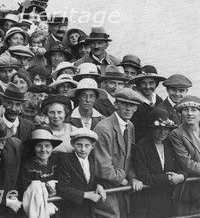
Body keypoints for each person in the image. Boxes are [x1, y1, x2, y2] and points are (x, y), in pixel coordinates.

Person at [92, 88, 145, 218]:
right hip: (105, 188)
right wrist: (125, 181)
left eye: (132, 105)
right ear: (116, 105)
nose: (128, 109)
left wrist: (133, 178)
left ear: (136, 108)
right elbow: (102, 168)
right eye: (124, 104)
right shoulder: (103, 128)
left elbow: (129, 157)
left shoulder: (130, 126)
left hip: (121, 189)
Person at [132, 108, 184, 218]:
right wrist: (168, 179)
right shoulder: (141, 146)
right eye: (158, 128)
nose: (162, 132)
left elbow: (181, 165)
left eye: (166, 129)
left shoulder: (170, 144)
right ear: (151, 129)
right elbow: (144, 176)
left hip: (169, 198)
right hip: (149, 199)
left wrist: (181, 176)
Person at [56, 128, 107, 218]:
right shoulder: (65, 160)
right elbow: (62, 188)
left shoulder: (92, 159)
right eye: (79, 145)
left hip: (88, 208)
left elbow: (94, 178)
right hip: (71, 209)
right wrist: (85, 195)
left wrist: (99, 185)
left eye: (87, 145)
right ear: (72, 144)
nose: (83, 149)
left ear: (93, 146)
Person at [17, 127, 61, 217]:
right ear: (33, 148)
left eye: (47, 146)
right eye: (39, 145)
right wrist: (46, 186)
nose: (43, 150)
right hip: (34, 208)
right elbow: (26, 191)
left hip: (56, 206)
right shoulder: (26, 165)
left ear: (52, 147)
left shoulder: (57, 161)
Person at [168, 95, 200, 215]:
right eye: (185, 110)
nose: (189, 113)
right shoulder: (177, 133)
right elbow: (188, 164)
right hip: (190, 190)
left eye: (194, 110)